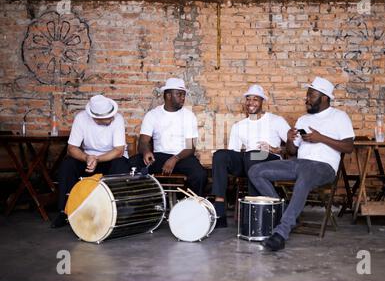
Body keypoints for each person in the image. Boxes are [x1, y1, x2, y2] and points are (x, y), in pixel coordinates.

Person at [248, 77, 355, 251]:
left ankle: (281, 233)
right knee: (256, 170)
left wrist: (320, 138)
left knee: (305, 175)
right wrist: (290, 139)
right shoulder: (303, 119)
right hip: (299, 163)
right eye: (307, 95)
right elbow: (291, 151)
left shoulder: (339, 117)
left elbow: (349, 147)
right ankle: (286, 212)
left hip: (323, 167)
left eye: (311, 95)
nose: (307, 99)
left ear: (325, 97)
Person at [211, 84, 290, 228]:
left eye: (255, 99)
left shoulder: (276, 120)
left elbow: (292, 147)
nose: (251, 103)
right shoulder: (239, 126)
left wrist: (275, 149)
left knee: (252, 155)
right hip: (249, 159)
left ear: (262, 102)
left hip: (271, 159)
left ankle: (255, 211)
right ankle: (219, 210)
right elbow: (233, 152)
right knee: (220, 155)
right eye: (248, 99)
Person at [51, 95, 130, 228]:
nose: (112, 117)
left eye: (112, 114)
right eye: (108, 117)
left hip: (109, 159)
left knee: (121, 164)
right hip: (88, 159)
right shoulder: (81, 118)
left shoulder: (118, 119)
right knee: (67, 164)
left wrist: (97, 159)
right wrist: (87, 158)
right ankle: (64, 211)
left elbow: (119, 151)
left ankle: (118, 211)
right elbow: (71, 148)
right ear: (96, 118)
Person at [132, 78, 207, 196]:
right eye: (179, 94)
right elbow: (143, 142)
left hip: (182, 157)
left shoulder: (189, 116)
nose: (183, 97)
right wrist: (146, 152)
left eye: (184, 95)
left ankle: (193, 208)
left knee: (200, 175)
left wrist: (175, 159)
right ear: (168, 95)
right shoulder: (153, 115)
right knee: (132, 165)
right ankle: (143, 206)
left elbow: (190, 148)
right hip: (158, 157)